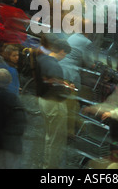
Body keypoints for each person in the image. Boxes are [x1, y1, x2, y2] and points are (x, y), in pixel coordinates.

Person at [35, 35, 73, 169]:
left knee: (49, 136)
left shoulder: (42, 59)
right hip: (54, 104)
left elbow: (48, 81)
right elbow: (58, 90)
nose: (64, 57)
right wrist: (68, 89)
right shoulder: (54, 65)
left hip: (43, 101)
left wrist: (61, 83)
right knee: (55, 140)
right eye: (65, 54)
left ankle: (46, 164)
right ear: (62, 51)